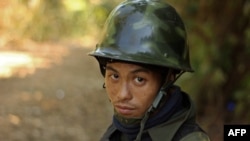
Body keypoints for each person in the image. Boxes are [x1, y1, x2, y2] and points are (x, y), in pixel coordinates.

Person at [89, 0, 210, 140]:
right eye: (115, 76)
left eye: (139, 79)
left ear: (168, 78)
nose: (122, 95)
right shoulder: (121, 128)